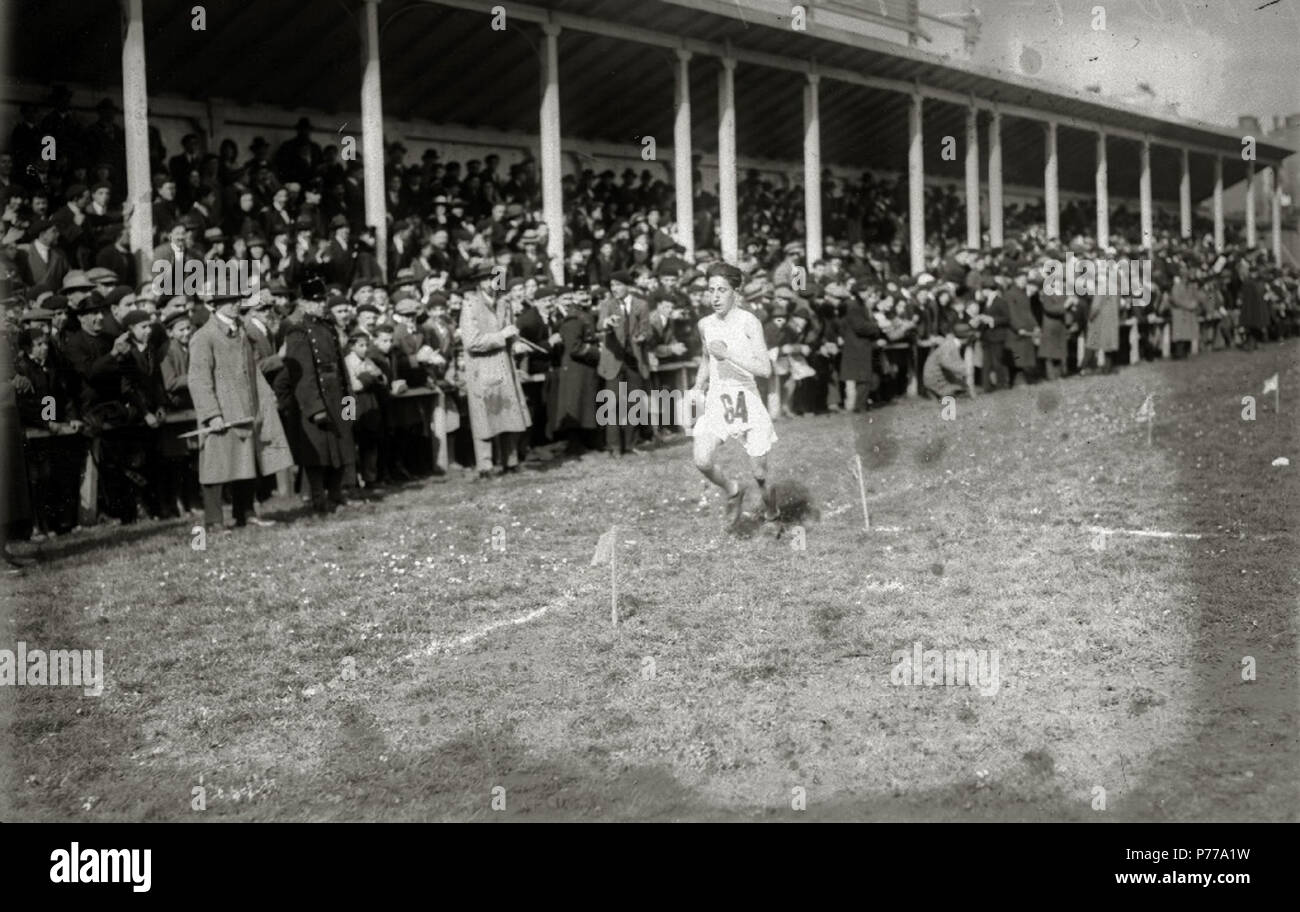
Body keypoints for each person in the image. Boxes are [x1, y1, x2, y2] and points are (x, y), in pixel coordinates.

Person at [188, 290, 293, 531]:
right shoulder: (204, 337)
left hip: (247, 409)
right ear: (215, 305)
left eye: (237, 300)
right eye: (229, 301)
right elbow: (198, 379)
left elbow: (253, 369)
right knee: (215, 468)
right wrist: (211, 414)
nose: (236, 304)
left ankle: (245, 514)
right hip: (221, 413)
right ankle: (214, 522)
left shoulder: (242, 332)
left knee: (246, 462)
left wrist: (265, 397)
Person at [690, 262, 778, 527]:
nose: (715, 297)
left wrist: (728, 354)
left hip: (746, 399)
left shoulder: (749, 322)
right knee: (701, 459)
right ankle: (732, 489)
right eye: (711, 290)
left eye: (722, 290)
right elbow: (707, 359)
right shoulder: (705, 324)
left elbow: (765, 369)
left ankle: (772, 513)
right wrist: (697, 386)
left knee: (760, 472)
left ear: (736, 292)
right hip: (718, 399)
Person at [280, 275, 356, 512]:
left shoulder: (329, 327)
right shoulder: (298, 331)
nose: (322, 304)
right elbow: (302, 374)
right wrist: (315, 407)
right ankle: (317, 497)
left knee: (343, 444)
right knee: (318, 452)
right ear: (303, 303)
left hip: (337, 393)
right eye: (316, 301)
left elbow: (341, 367)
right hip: (316, 397)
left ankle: (336, 493)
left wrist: (349, 401)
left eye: (323, 299)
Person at [459, 266, 531, 477]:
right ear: (481, 282)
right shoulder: (470, 306)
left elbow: (510, 330)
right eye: (491, 279)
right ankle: (485, 466)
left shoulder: (504, 303)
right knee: (484, 418)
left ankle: (510, 461)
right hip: (482, 368)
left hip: (504, 366)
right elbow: (472, 342)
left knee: (507, 413)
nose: (495, 283)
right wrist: (501, 336)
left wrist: (515, 342)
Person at [921, 323, 973, 399]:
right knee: (962, 392)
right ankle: (935, 393)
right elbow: (947, 363)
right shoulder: (949, 346)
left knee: (963, 388)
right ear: (966, 339)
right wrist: (964, 369)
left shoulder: (952, 343)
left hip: (940, 376)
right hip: (935, 379)